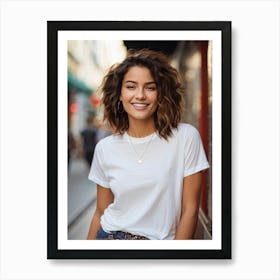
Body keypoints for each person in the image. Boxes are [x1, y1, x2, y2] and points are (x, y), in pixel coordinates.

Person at [87, 49, 209, 240]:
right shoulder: (105, 148)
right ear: (119, 94)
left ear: (161, 94)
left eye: (150, 87)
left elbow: (190, 211)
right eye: (131, 86)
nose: (140, 95)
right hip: (109, 240)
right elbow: (100, 211)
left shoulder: (186, 137)